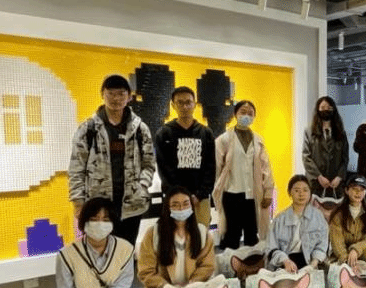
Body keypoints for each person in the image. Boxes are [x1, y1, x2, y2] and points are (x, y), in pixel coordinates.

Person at [68, 74, 156, 247]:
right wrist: (78, 202)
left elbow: (149, 164)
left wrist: (141, 186)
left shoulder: (140, 129)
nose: (116, 99)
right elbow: (76, 168)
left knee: (126, 250)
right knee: (99, 251)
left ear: (129, 97)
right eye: (111, 93)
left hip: (131, 206)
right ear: (102, 94)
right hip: (98, 207)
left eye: (121, 94)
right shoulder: (88, 128)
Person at [53, 197, 136, 288]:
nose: (100, 224)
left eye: (105, 220)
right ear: (84, 222)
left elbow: (122, 284)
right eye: (94, 219)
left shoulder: (125, 248)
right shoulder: (66, 254)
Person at [212, 100, 275, 249]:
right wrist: (216, 190)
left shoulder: (258, 140)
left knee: (252, 235)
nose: (246, 116)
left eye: (250, 113)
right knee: (231, 236)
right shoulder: (224, 139)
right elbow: (216, 167)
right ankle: (229, 262)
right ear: (235, 114)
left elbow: (266, 167)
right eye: (243, 112)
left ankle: (251, 262)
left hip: (253, 194)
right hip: (231, 193)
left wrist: (268, 192)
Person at [154, 86, 216, 228]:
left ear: (195, 104)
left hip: (200, 199)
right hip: (175, 198)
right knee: (175, 234)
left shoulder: (206, 133)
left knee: (201, 233)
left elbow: (210, 167)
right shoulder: (164, 133)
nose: (185, 106)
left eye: (188, 102)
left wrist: (200, 194)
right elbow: (164, 169)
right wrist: (180, 195)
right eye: (180, 103)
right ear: (173, 105)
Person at [137, 186, 215, 288]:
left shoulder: (203, 233)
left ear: (192, 206)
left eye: (185, 204)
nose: (181, 209)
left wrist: (192, 284)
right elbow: (145, 271)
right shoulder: (153, 234)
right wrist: (166, 287)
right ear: (167, 208)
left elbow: (207, 266)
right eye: (175, 205)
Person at [265, 174, 329, 273]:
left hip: (310, 262)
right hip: (285, 263)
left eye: (305, 190)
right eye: (296, 190)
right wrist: (285, 261)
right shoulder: (280, 219)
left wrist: (312, 265)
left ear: (310, 193)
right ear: (289, 192)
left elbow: (322, 246)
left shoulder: (318, 217)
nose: (301, 194)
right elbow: (271, 247)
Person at [302, 96, 349, 199]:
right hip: (315, 182)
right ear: (317, 110)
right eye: (323, 108)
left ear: (334, 110)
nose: (326, 110)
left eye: (329, 108)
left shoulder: (341, 133)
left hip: (335, 183)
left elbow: (345, 158)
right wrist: (319, 176)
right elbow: (306, 157)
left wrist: (339, 177)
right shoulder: (309, 132)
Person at [328, 175, 366, 267]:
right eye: (354, 189)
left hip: (364, 253)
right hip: (340, 256)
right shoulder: (337, 215)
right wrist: (346, 259)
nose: (358, 193)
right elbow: (337, 243)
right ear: (347, 190)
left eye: (362, 190)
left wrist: (356, 249)